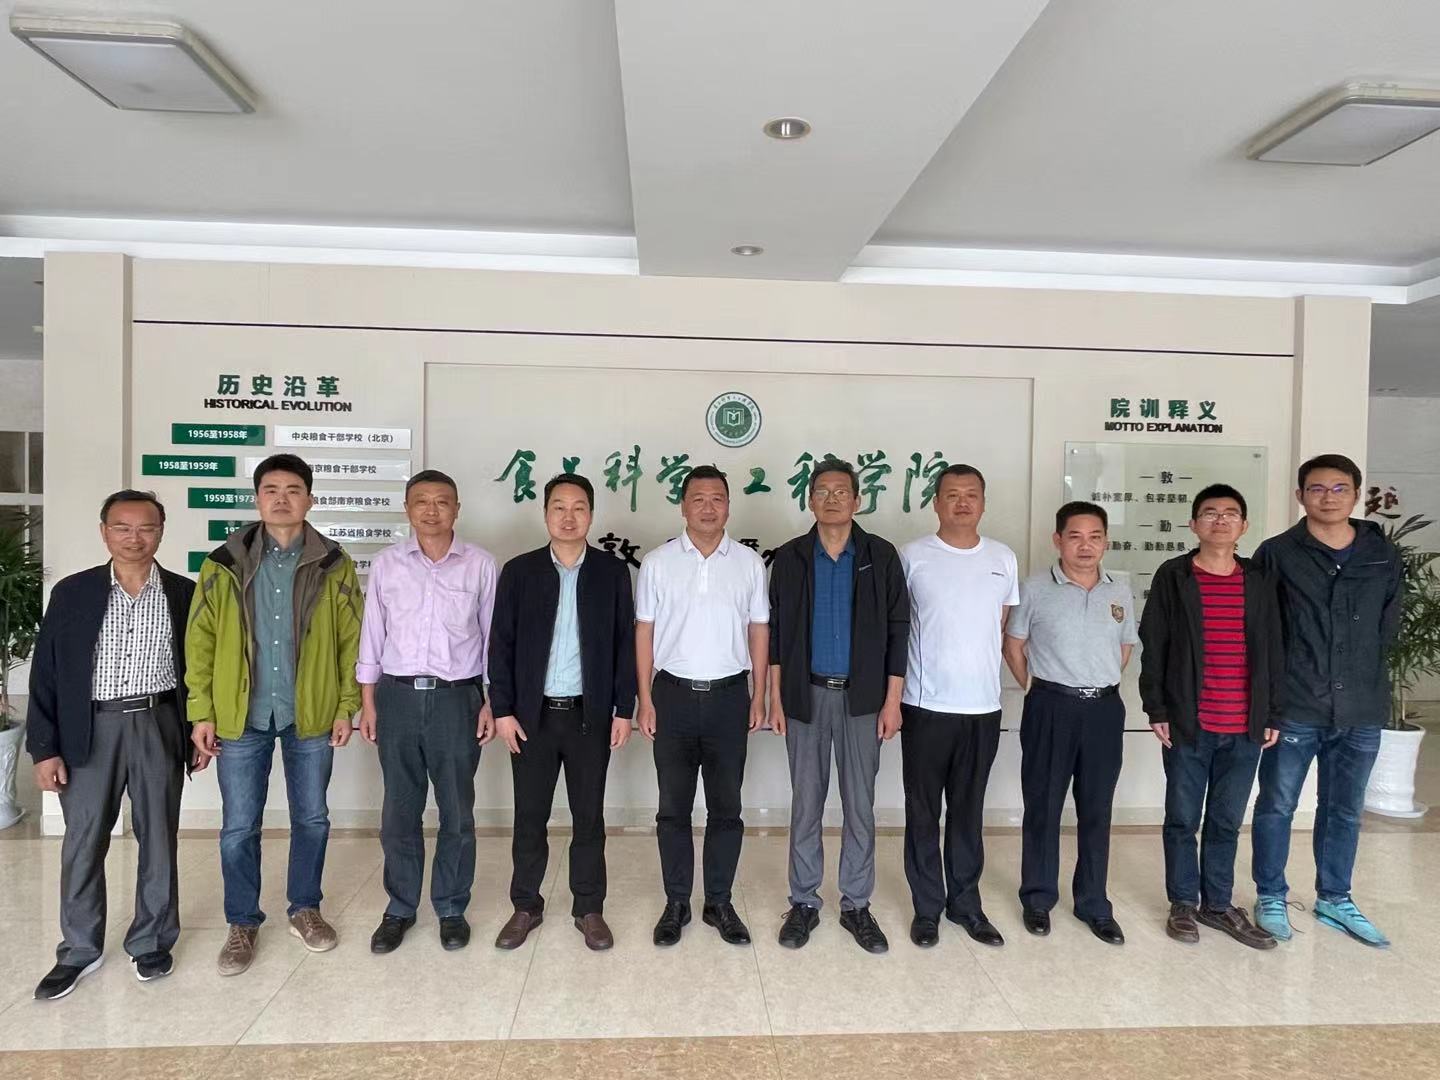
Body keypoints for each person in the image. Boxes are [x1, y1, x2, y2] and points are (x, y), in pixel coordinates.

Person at [187, 453, 362, 975]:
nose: (282, 499)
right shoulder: (222, 563)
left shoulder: (334, 564)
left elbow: (353, 641)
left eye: (293, 490)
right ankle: (242, 922)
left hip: (311, 712)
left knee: (312, 818)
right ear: (257, 498)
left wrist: (346, 705)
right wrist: (202, 711)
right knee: (239, 826)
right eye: (271, 490)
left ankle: (305, 908)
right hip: (241, 714)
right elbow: (200, 641)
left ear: (310, 499)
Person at [27, 491, 198, 999]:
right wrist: (44, 748)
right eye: (122, 527)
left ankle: (152, 941)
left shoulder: (183, 593)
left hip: (159, 721)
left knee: (158, 837)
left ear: (161, 531)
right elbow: (46, 673)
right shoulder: (73, 592)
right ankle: (79, 949)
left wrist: (197, 729)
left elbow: (198, 670)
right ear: (104, 532)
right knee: (83, 841)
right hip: (89, 727)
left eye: (146, 527)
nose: (134, 538)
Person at [1250, 454, 1403, 948]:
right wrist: (1269, 701)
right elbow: (1263, 631)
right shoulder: (1277, 553)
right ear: (1300, 496)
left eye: (1340, 489)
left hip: (1361, 706)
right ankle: (1271, 895)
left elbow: (1387, 626)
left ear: (1356, 494)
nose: (1328, 497)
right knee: (1277, 805)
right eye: (1317, 489)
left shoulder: (1382, 554)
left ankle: (1335, 897)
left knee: (1345, 809)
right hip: (1297, 703)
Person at [488, 473, 637, 951]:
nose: (568, 517)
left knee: (588, 816)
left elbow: (625, 645)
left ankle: (588, 908)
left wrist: (624, 709)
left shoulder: (611, 573)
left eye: (578, 508)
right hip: (530, 718)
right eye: (559, 507)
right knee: (529, 816)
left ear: (591, 515)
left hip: (589, 717)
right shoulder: (520, 571)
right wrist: (502, 710)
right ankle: (525, 906)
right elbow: (500, 645)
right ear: (545, 513)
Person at [767, 458, 908, 954]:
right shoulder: (790, 557)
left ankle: (856, 905)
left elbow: (898, 631)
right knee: (806, 803)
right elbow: (777, 634)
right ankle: (804, 902)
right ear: (810, 500)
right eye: (823, 491)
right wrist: (776, 698)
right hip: (804, 697)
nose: (832, 499)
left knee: (859, 805)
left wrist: (892, 702)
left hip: (863, 700)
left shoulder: (880, 555)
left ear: (857, 500)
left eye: (841, 491)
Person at [356, 469, 496, 954]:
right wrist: (368, 702)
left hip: (458, 699)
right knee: (399, 810)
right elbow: (372, 635)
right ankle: (400, 907)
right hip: (396, 697)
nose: (432, 510)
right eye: (422, 501)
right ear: (407, 509)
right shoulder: (387, 565)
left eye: (442, 501)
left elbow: (493, 639)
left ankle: (452, 906)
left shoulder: (480, 565)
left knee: (457, 809)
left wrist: (491, 702)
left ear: (457, 509)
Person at [1139, 484, 1281, 950]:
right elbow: (1154, 643)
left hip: (1245, 726)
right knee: (1182, 818)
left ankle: (1217, 904)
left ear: (1244, 525)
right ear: (1194, 524)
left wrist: (1273, 711)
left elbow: (1274, 650)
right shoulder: (1175, 575)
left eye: (1230, 513)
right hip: (1189, 723)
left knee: (1225, 820)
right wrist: (1157, 708)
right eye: (1210, 513)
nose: (1220, 520)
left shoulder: (1259, 579)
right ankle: (1183, 902)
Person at [635, 465, 769, 947]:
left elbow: (758, 629)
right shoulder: (658, 563)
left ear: (728, 506)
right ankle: (676, 902)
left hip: (730, 697)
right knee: (672, 808)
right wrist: (645, 698)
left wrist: (759, 694)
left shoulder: (749, 564)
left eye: (717, 499)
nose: (708, 508)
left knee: (726, 807)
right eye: (698, 499)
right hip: (671, 696)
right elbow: (644, 632)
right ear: (683, 506)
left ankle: (719, 902)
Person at [1003, 501, 1138, 945]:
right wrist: (1036, 687)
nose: (1085, 546)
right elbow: (1014, 645)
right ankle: (1038, 898)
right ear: (1058, 540)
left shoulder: (1120, 590)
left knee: (1097, 808)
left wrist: (1096, 682)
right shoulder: (1036, 588)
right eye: (1075, 536)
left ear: (1106, 542)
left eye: (1095, 537)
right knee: (1043, 805)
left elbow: (1124, 648)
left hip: (1103, 710)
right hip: (1050, 706)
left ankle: (1094, 903)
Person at [899, 465, 1019, 949]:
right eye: (952, 494)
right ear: (936, 503)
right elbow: (897, 627)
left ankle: (966, 905)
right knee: (923, 813)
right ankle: (927, 908)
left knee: (969, 812)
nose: (962, 502)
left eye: (971, 494)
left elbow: (1001, 626)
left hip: (982, 708)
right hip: (925, 705)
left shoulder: (1002, 558)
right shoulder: (912, 556)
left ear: (983, 503)